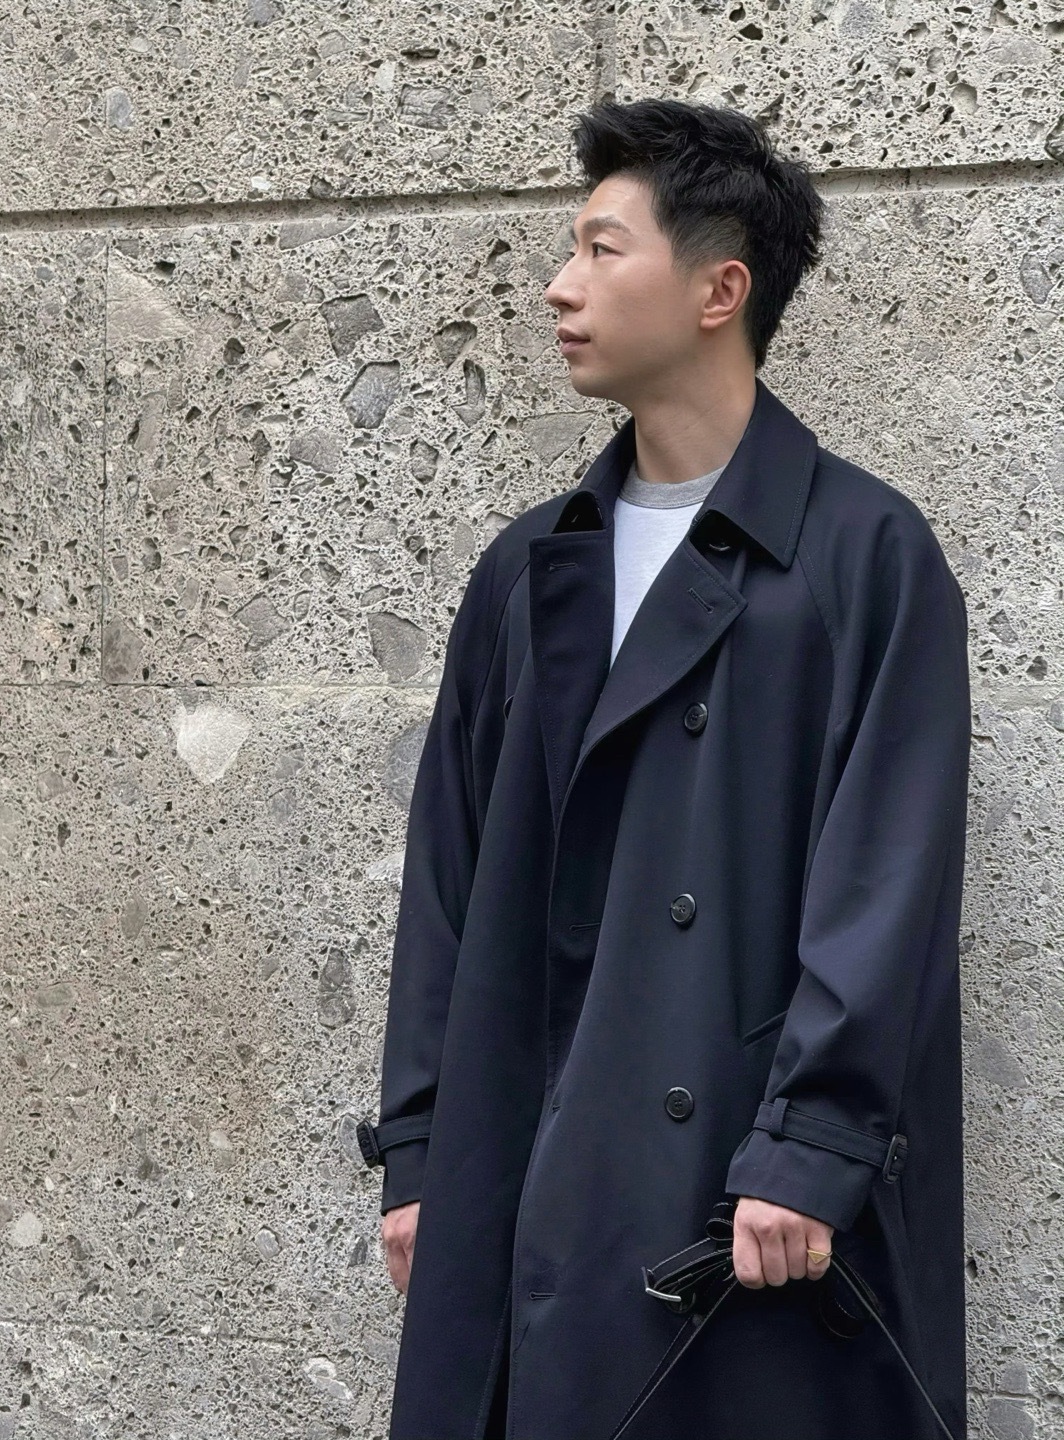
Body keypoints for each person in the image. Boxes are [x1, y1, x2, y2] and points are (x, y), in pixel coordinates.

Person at [356, 98, 971, 1440]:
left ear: (718, 290)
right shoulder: (532, 565)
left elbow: (890, 885)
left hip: (741, 1202)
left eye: (601, 248)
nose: (559, 286)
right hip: (525, 1167)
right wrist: (422, 1147)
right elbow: (448, 876)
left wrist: (810, 1146)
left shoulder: (863, 556)